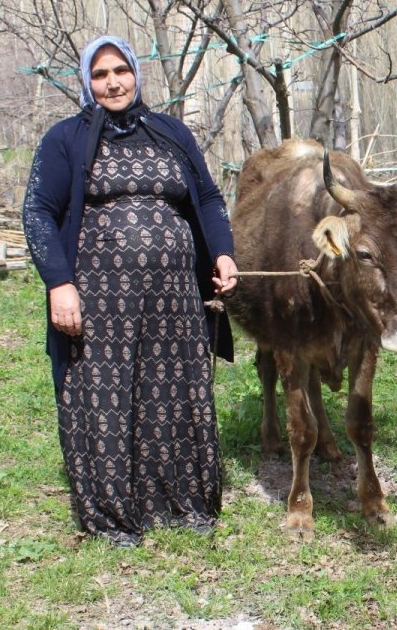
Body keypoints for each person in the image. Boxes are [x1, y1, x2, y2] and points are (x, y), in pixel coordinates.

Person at [23, 35, 239, 547]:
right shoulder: (66, 139)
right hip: (99, 299)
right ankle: (114, 514)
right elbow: (38, 213)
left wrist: (224, 251)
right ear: (85, 81)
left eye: (120, 70)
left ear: (136, 73)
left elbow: (206, 197)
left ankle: (185, 502)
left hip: (175, 299)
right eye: (100, 75)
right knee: (105, 395)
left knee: (176, 392)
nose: (113, 82)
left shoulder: (169, 132)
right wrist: (59, 284)